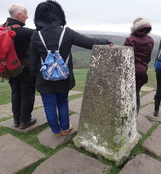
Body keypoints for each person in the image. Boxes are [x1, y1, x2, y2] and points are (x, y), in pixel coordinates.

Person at [29, 0, 112, 137]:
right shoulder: (66, 33)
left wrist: (34, 78)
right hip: (63, 76)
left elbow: (33, 61)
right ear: (58, 14)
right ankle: (65, 128)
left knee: (49, 104)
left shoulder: (36, 35)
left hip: (44, 78)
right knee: (62, 101)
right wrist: (106, 41)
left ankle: (56, 131)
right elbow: (89, 43)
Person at [3, 3, 36, 129]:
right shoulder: (24, 32)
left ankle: (16, 120)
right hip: (24, 68)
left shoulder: (3, 28)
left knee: (15, 92)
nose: (27, 17)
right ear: (19, 15)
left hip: (10, 69)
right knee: (27, 94)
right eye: (26, 14)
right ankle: (25, 120)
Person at [124, 18, 154, 114]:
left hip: (131, 70)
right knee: (136, 92)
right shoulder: (150, 40)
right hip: (142, 70)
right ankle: (135, 113)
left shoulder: (130, 40)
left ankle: (130, 115)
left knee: (129, 93)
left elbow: (124, 57)